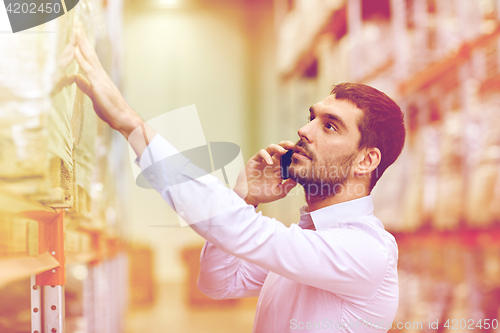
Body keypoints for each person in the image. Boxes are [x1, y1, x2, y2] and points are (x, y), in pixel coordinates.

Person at [71, 23, 405, 333]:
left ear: (366, 160)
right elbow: (219, 283)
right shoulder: (309, 238)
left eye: (330, 125)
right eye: (311, 118)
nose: (304, 130)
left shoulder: (365, 251)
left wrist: (129, 123)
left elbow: (243, 231)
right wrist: (244, 199)